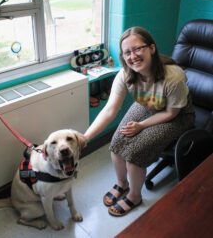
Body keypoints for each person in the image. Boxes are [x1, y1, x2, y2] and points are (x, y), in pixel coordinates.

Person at [83, 26, 195, 217]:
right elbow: (110, 110)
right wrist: (85, 138)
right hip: (149, 104)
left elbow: (171, 113)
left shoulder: (173, 77)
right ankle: (122, 184)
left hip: (177, 115)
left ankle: (135, 196)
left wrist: (141, 126)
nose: (132, 56)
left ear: (151, 48)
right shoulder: (125, 75)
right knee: (116, 143)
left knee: (135, 153)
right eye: (127, 52)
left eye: (137, 49)